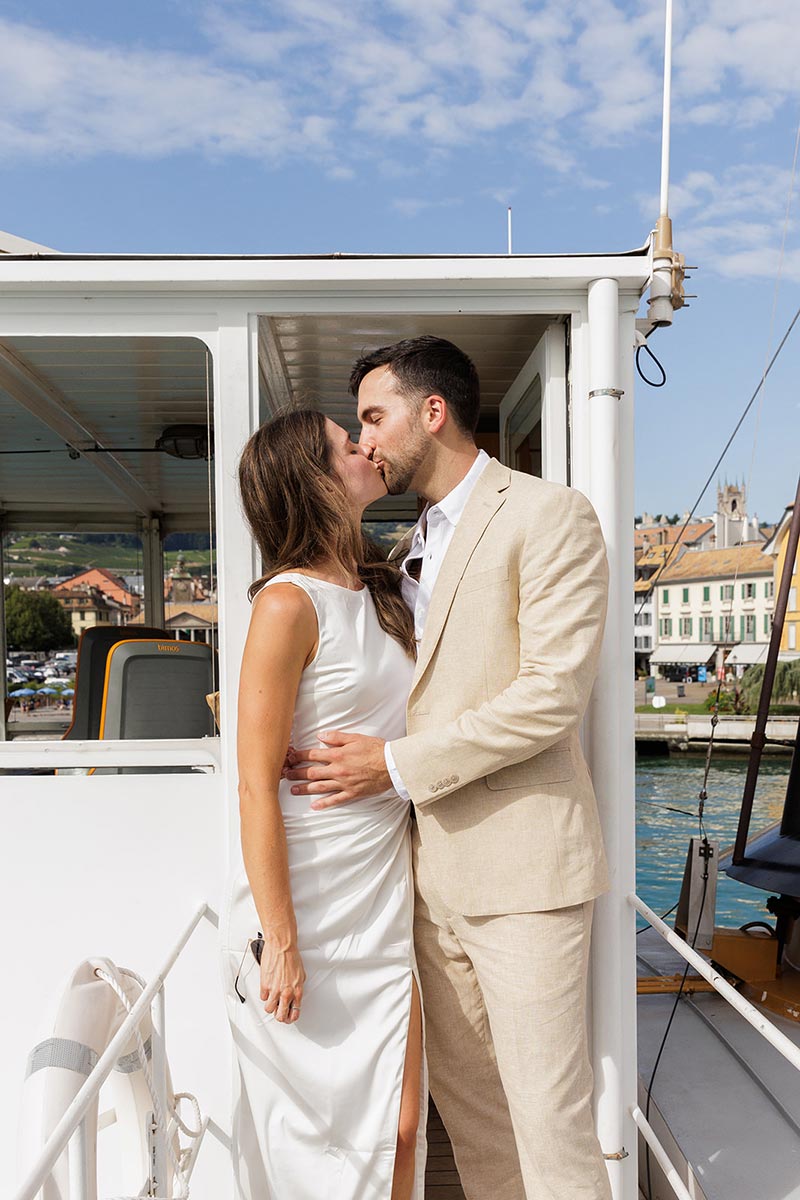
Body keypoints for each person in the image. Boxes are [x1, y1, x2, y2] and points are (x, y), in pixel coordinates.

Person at [286, 336, 612, 1200]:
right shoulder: (402, 553)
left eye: (373, 417)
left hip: (526, 873)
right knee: (473, 1118)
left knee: (550, 1118)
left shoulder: (549, 514)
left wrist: (392, 765)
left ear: (432, 414)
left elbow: (551, 695)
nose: (365, 443)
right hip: (426, 884)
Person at [221, 409, 426, 1200]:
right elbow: (253, 783)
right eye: (350, 444)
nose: (367, 447)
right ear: (313, 478)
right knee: (316, 1142)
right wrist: (282, 940)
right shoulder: (285, 605)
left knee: (402, 1126)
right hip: (306, 894)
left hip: (380, 893)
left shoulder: (385, 590)